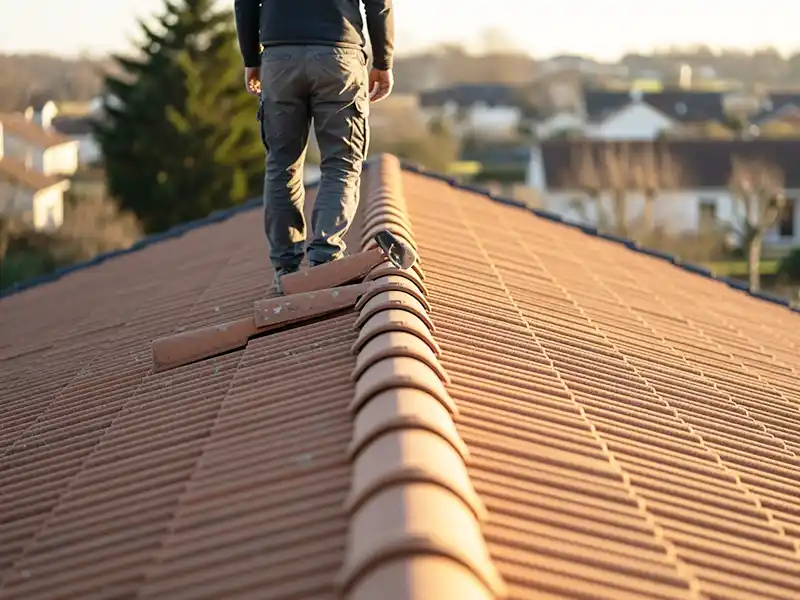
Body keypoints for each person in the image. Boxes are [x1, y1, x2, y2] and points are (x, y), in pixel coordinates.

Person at [234, 0, 395, 290]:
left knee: (282, 166)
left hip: (279, 59)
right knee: (341, 164)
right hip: (339, 59)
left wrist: (251, 59)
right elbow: (379, 5)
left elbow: (245, 3)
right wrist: (383, 62)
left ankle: (287, 271)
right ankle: (325, 261)